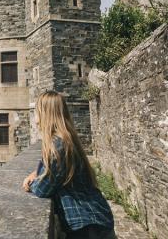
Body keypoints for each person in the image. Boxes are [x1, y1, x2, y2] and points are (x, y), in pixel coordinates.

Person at [22, 91, 115, 239]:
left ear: (46, 114)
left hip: (87, 225)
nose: (36, 120)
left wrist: (31, 183)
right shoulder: (65, 139)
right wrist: (37, 173)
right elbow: (47, 169)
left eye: (37, 113)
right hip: (95, 219)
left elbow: (43, 189)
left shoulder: (58, 146)